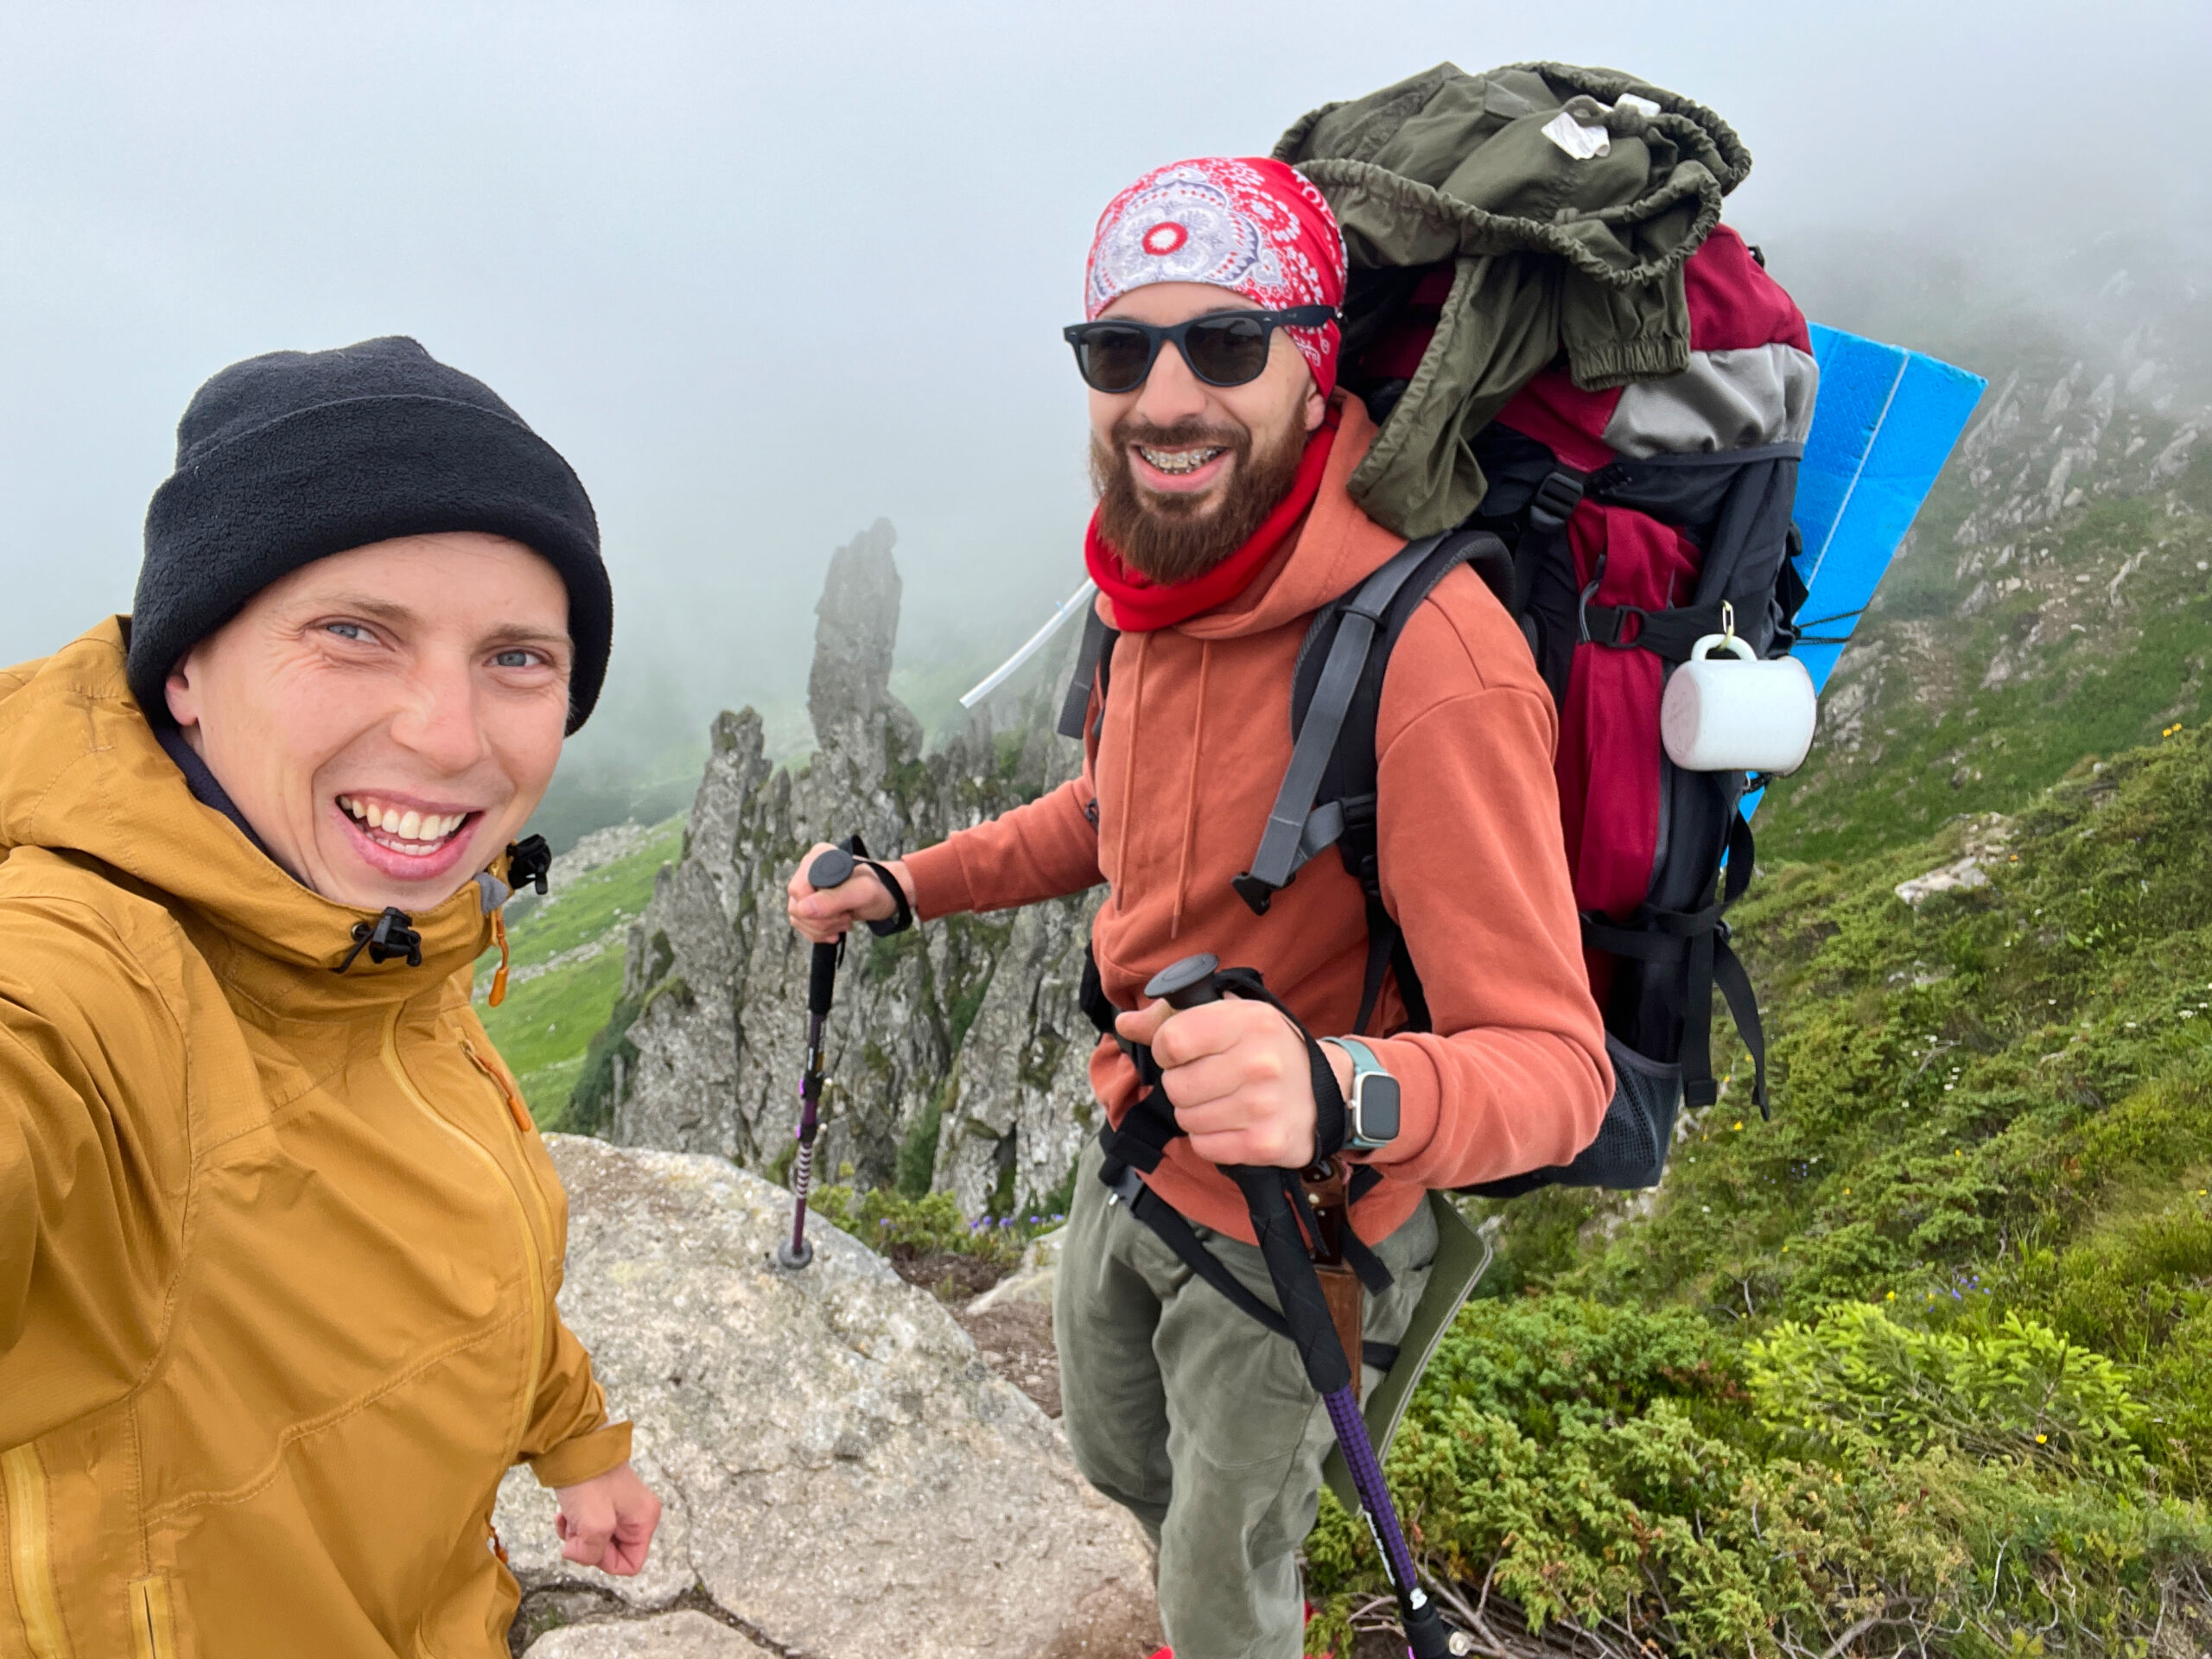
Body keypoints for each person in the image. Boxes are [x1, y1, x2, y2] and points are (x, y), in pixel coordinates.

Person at [787, 159, 1611, 1655]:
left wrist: (1332, 1088)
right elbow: (1110, 817)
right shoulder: (1147, 593)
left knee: (1227, 1580)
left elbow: (1560, 1075)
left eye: (1227, 343)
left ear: (1315, 368)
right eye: (1120, 352)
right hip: (1130, 1156)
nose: (1166, 395)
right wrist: (911, 890)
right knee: (1121, 1468)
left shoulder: (1438, 660)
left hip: (1302, 1228)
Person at [0, 337, 659, 1657]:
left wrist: (576, 1441)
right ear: (185, 667)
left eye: (519, 657)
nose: (450, 733)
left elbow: (454, 1248)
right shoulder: (86, 976)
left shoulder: (373, 943)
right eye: (354, 632)